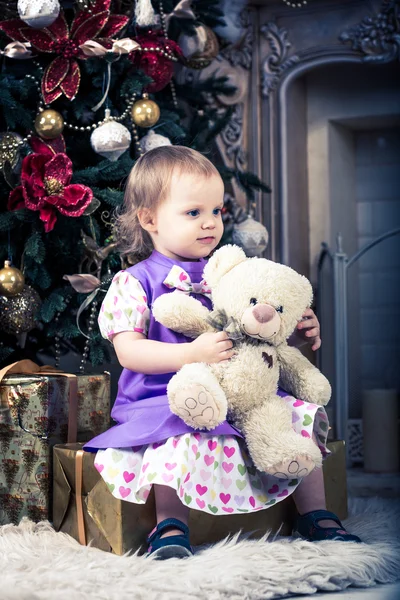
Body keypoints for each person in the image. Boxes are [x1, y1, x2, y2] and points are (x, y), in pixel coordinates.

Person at [84, 146, 361, 559]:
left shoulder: (230, 274)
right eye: (193, 213)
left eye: (216, 211)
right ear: (149, 219)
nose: (210, 223)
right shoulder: (133, 280)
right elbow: (130, 352)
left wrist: (298, 336)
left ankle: (315, 513)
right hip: (164, 395)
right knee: (178, 434)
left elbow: (259, 333)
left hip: (238, 392)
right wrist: (190, 354)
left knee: (296, 414)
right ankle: (171, 525)